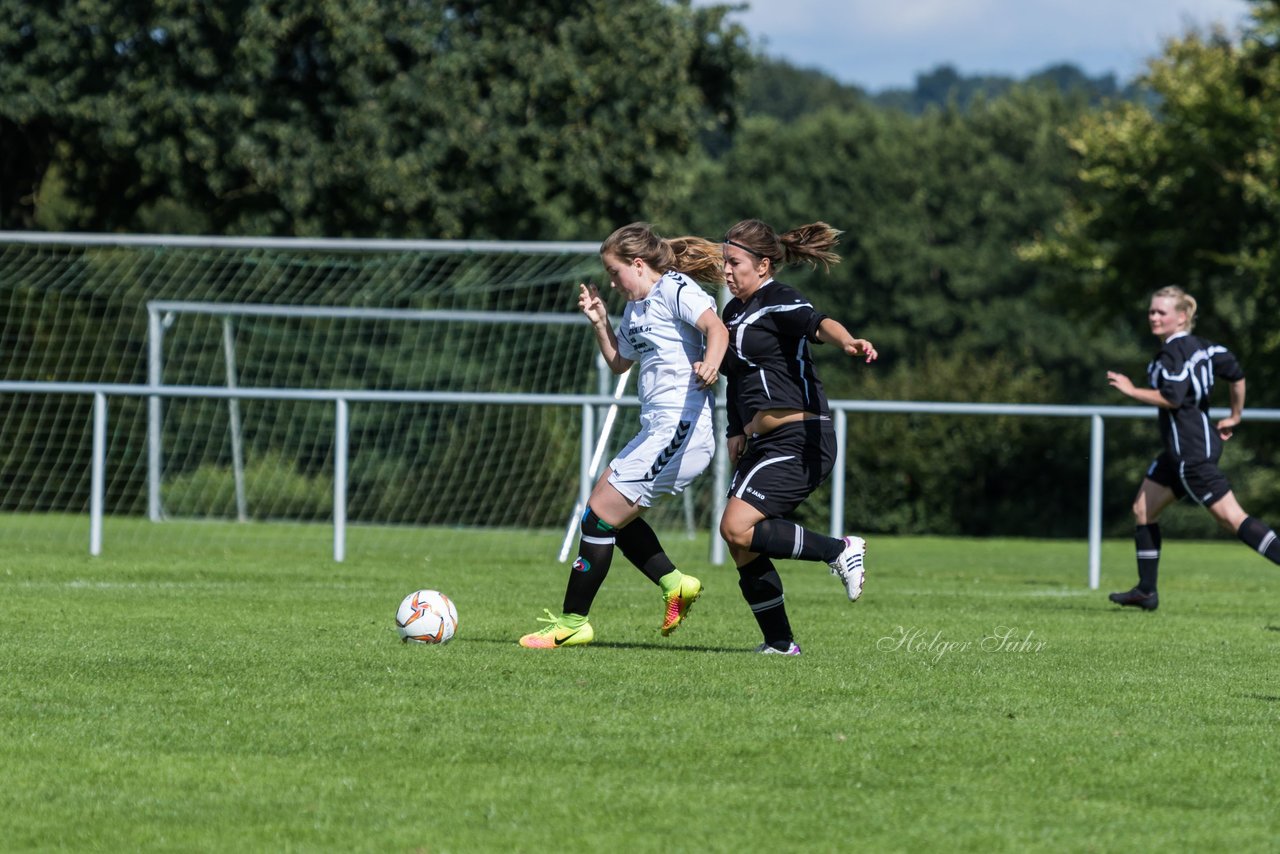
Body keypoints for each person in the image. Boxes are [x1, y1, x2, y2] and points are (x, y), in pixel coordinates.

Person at [519, 223, 729, 649]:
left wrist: (710, 363)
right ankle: (677, 584)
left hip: (681, 429)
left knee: (598, 516)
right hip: (655, 429)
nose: (612, 283)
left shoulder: (675, 289)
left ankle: (573, 623)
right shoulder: (635, 309)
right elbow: (619, 362)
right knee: (608, 516)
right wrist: (599, 321)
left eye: (615, 273)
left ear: (638, 264)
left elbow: (717, 328)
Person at [717, 219, 878, 655]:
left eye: (734, 263)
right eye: (724, 262)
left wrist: (848, 342)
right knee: (740, 543)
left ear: (763, 265)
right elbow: (735, 379)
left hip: (801, 438)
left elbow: (819, 322)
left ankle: (839, 549)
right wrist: (735, 429)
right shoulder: (732, 313)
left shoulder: (778, 300)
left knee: (735, 526)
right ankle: (780, 643)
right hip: (763, 441)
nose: (726, 272)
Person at [1106, 285, 1280, 611]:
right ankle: (1146, 591)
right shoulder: (1204, 348)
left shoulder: (1173, 352)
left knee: (1233, 519)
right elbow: (1237, 374)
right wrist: (1235, 416)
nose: (1153, 317)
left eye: (1161, 312)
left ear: (1182, 316)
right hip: (1182, 451)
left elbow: (1171, 397)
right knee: (1143, 510)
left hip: (1190, 454)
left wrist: (1132, 391)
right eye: (1151, 311)